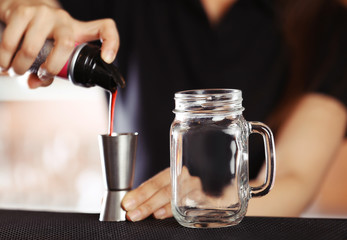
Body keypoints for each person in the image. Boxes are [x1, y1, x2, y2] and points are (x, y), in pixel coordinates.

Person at [0, 0, 346, 222]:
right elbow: (38, 11)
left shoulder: (328, 27)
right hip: (142, 224)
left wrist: (215, 203)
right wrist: (24, 10)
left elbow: (294, 177)